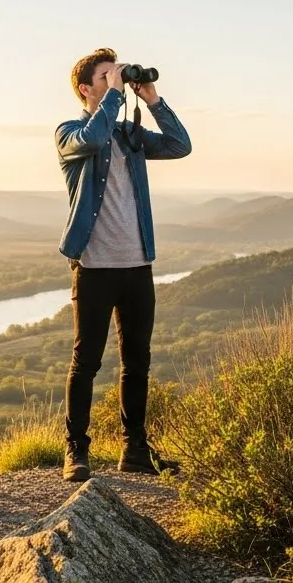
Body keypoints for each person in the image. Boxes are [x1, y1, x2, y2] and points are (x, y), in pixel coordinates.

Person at [55, 48, 191, 483]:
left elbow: (178, 145)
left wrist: (152, 99)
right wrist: (114, 95)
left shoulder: (128, 135)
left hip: (137, 264)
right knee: (87, 361)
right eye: (106, 75)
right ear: (85, 88)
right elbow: (91, 141)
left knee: (138, 361)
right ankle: (76, 449)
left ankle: (135, 448)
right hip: (95, 266)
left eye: (116, 74)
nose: (114, 80)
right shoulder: (70, 132)